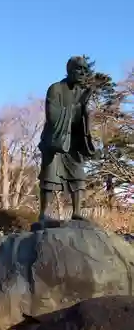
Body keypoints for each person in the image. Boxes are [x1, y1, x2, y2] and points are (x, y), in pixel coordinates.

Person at [38, 56, 95, 222]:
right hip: (55, 139)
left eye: (85, 70)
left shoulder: (80, 92)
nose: (83, 73)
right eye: (79, 69)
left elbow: (80, 119)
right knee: (49, 176)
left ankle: (77, 211)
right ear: (69, 70)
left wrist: (84, 109)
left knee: (78, 175)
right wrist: (77, 106)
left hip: (73, 141)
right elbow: (53, 116)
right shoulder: (56, 89)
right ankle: (44, 213)